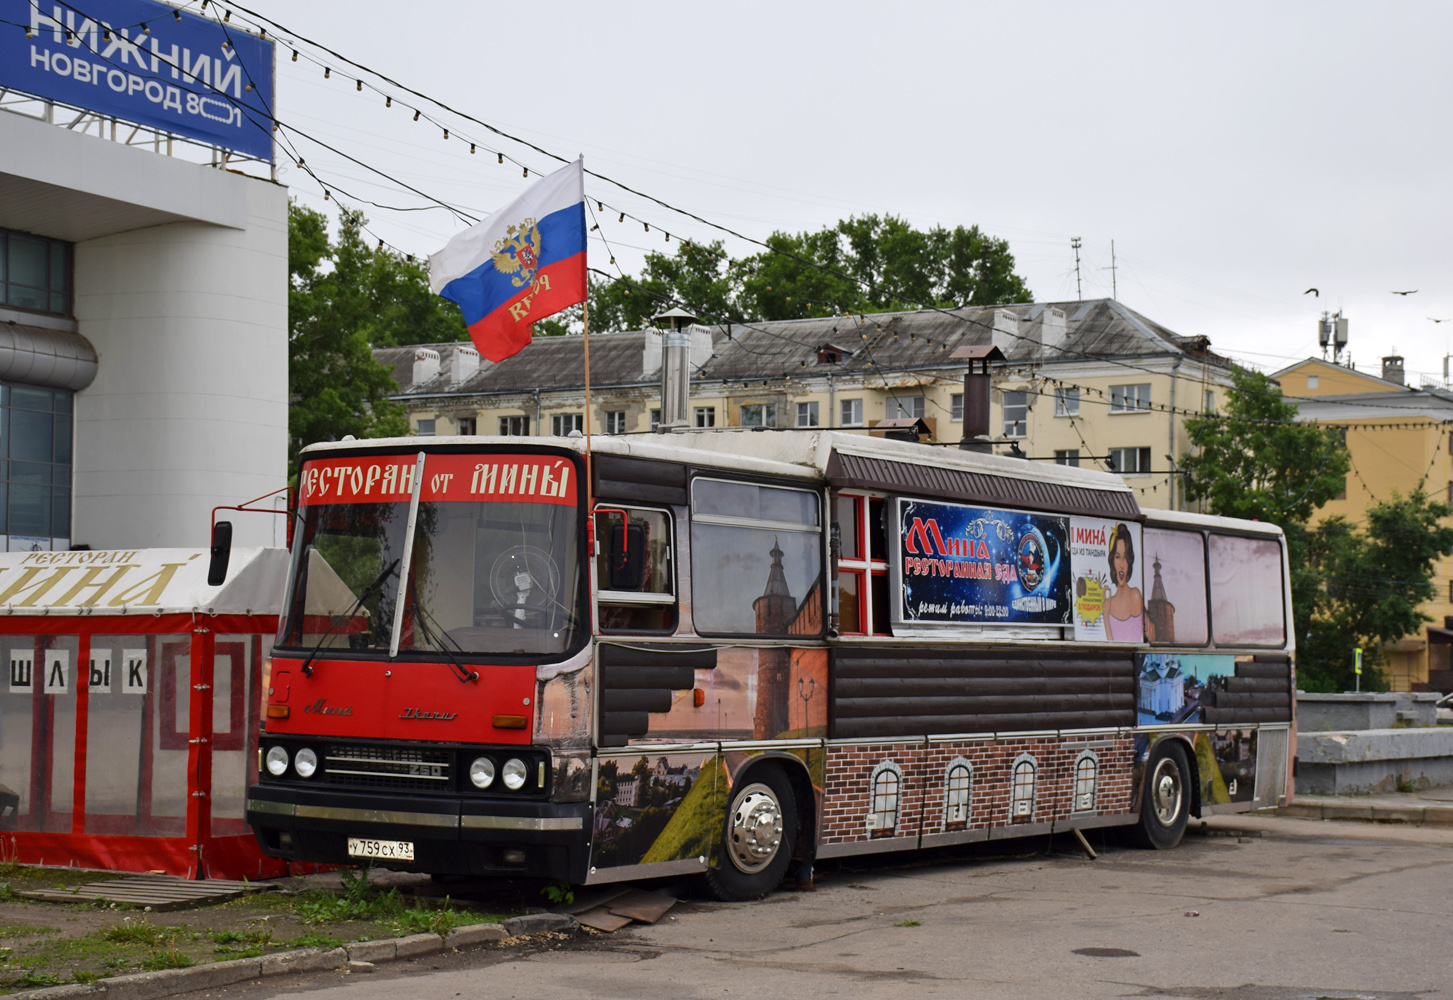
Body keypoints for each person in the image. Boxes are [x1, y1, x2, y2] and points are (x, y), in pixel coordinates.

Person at [1102, 523, 1144, 641]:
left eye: (1125, 557)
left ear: (1130, 560)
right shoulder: (1109, 603)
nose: (1121, 565)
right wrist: (1105, 616)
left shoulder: (1135, 595)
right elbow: (1111, 646)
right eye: (1117, 557)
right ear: (1112, 560)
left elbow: (1135, 643)